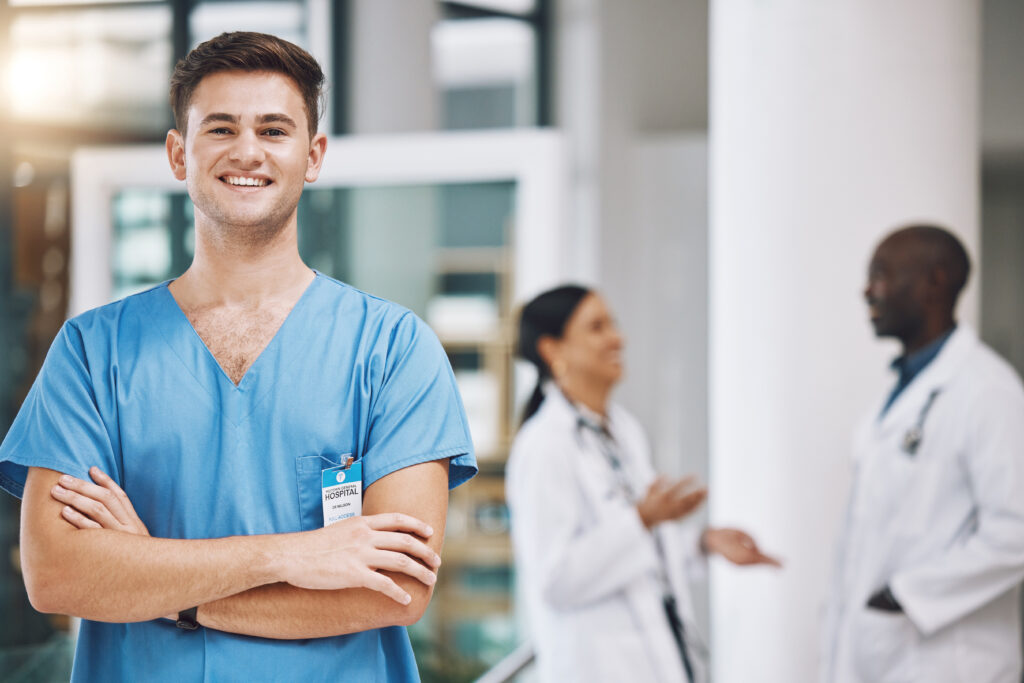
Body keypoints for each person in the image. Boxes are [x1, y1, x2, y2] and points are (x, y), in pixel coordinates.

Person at [0, 32, 476, 682]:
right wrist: (298, 555)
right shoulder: (93, 352)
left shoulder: (393, 348)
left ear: (313, 156)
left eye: (273, 129)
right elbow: (58, 574)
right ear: (178, 154)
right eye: (220, 128)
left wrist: (163, 582)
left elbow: (393, 588)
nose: (246, 150)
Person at [506, 285, 779, 683]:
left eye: (612, 324)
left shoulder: (624, 430)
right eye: (597, 327)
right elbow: (555, 580)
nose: (618, 338)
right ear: (553, 349)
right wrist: (642, 519)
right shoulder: (544, 445)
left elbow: (640, 557)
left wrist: (700, 543)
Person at [821, 225, 1024, 682]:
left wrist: (904, 595)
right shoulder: (899, 394)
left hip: (949, 660)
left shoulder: (988, 391)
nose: (867, 290)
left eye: (882, 275)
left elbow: (1016, 530)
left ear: (935, 281)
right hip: (885, 653)